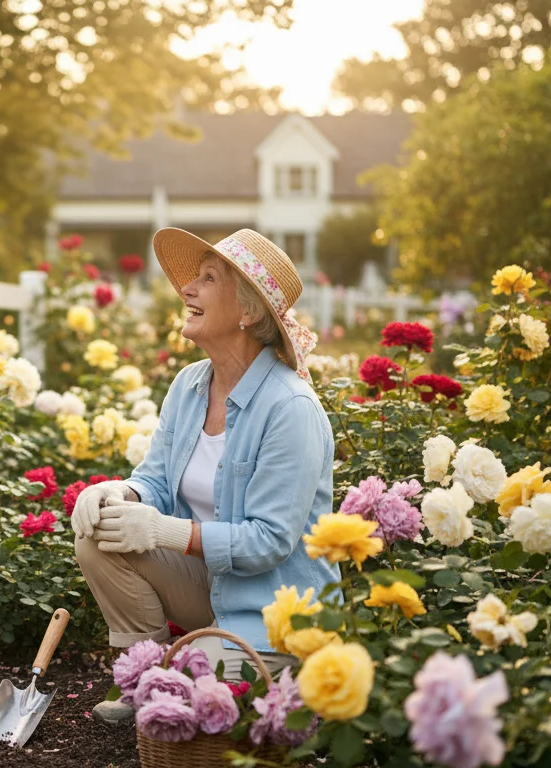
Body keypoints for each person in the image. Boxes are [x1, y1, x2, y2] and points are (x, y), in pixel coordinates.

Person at [71, 228, 338, 724]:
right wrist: (118, 491)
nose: (187, 290)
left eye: (208, 279)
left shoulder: (290, 408)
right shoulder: (190, 384)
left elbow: (270, 542)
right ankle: (142, 676)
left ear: (249, 312)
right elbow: (154, 480)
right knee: (98, 539)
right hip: (212, 587)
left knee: (198, 691)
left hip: (275, 615)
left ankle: (190, 677)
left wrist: (162, 530)